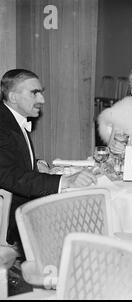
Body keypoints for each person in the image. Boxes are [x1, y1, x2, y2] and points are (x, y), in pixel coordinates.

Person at [0, 69, 97, 250]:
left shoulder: (11, 119)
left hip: (19, 204)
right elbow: (7, 175)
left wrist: (37, 162)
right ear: (13, 97)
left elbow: (10, 157)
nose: (42, 100)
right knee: (78, 219)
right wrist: (64, 180)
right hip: (9, 217)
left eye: (41, 93)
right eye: (34, 93)